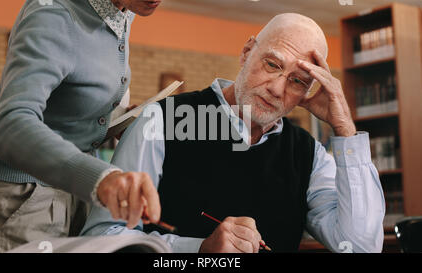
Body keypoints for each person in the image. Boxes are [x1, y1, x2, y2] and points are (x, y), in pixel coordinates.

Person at [80, 13, 386, 253]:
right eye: (271, 64)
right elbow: (103, 238)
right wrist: (198, 249)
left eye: (297, 81)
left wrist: (345, 130)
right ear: (246, 52)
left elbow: (359, 246)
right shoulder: (160, 120)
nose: (278, 88)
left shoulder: (309, 153)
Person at [0, 0, 164, 253]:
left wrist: (118, 118)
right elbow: (10, 124)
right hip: (19, 200)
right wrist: (102, 179)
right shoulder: (54, 13)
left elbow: (72, 96)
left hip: (71, 194)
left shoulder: (121, 12)